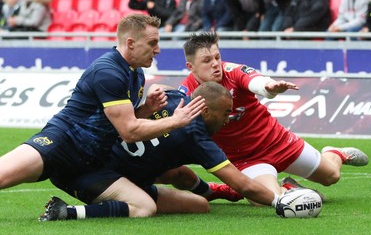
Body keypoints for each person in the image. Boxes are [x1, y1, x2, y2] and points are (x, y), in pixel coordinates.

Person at [0, 14, 206, 216]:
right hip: (61, 143)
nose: (158, 50)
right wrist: (175, 120)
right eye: (152, 43)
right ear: (131, 43)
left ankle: (65, 213)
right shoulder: (108, 71)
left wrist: (146, 110)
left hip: (91, 165)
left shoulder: (135, 73)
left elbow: (119, 121)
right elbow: (129, 132)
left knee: (150, 207)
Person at [164, 32, 369, 206]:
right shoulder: (187, 94)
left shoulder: (232, 71)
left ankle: (334, 153)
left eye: (217, 57)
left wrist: (268, 87)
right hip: (246, 160)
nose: (216, 64)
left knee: (331, 176)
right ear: (191, 67)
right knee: (266, 199)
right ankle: (288, 187)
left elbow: (255, 80)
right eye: (207, 61)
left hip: (277, 142)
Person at [38, 82, 280, 221]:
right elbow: (244, 184)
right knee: (144, 208)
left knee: (198, 202)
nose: (228, 118)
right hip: (94, 174)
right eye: (226, 112)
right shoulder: (196, 138)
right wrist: (280, 201)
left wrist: (217, 193)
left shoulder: (174, 98)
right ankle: (67, 212)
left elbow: (179, 174)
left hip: (98, 164)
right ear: (205, 111)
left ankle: (214, 193)